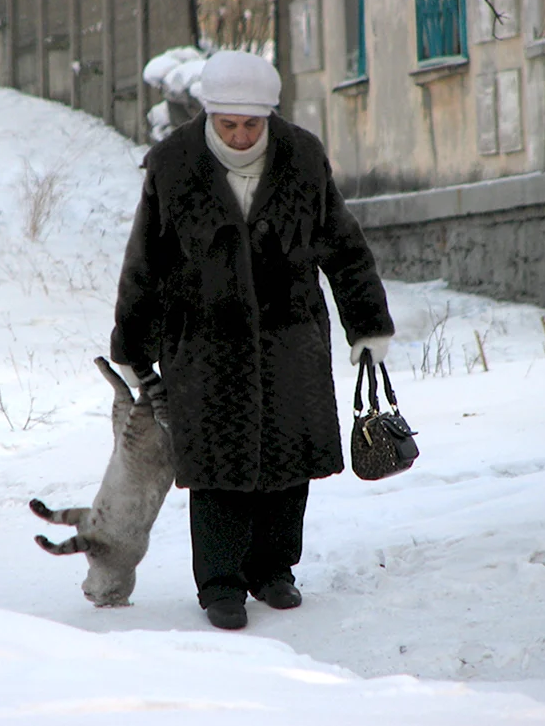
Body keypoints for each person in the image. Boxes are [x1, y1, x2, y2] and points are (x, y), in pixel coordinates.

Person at [110, 50, 395, 630]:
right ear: (209, 115)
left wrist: (365, 325)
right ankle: (219, 584)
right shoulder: (173, 165)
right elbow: (146, 260)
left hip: (291, 339)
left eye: (251, 124)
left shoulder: (303, 158)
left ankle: (274, 571)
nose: (240, 135)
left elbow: (343, 246)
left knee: (287, 462)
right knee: (216, 466)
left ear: (269, 116)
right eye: (228, 124)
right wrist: (134, 346)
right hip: (203, 343)